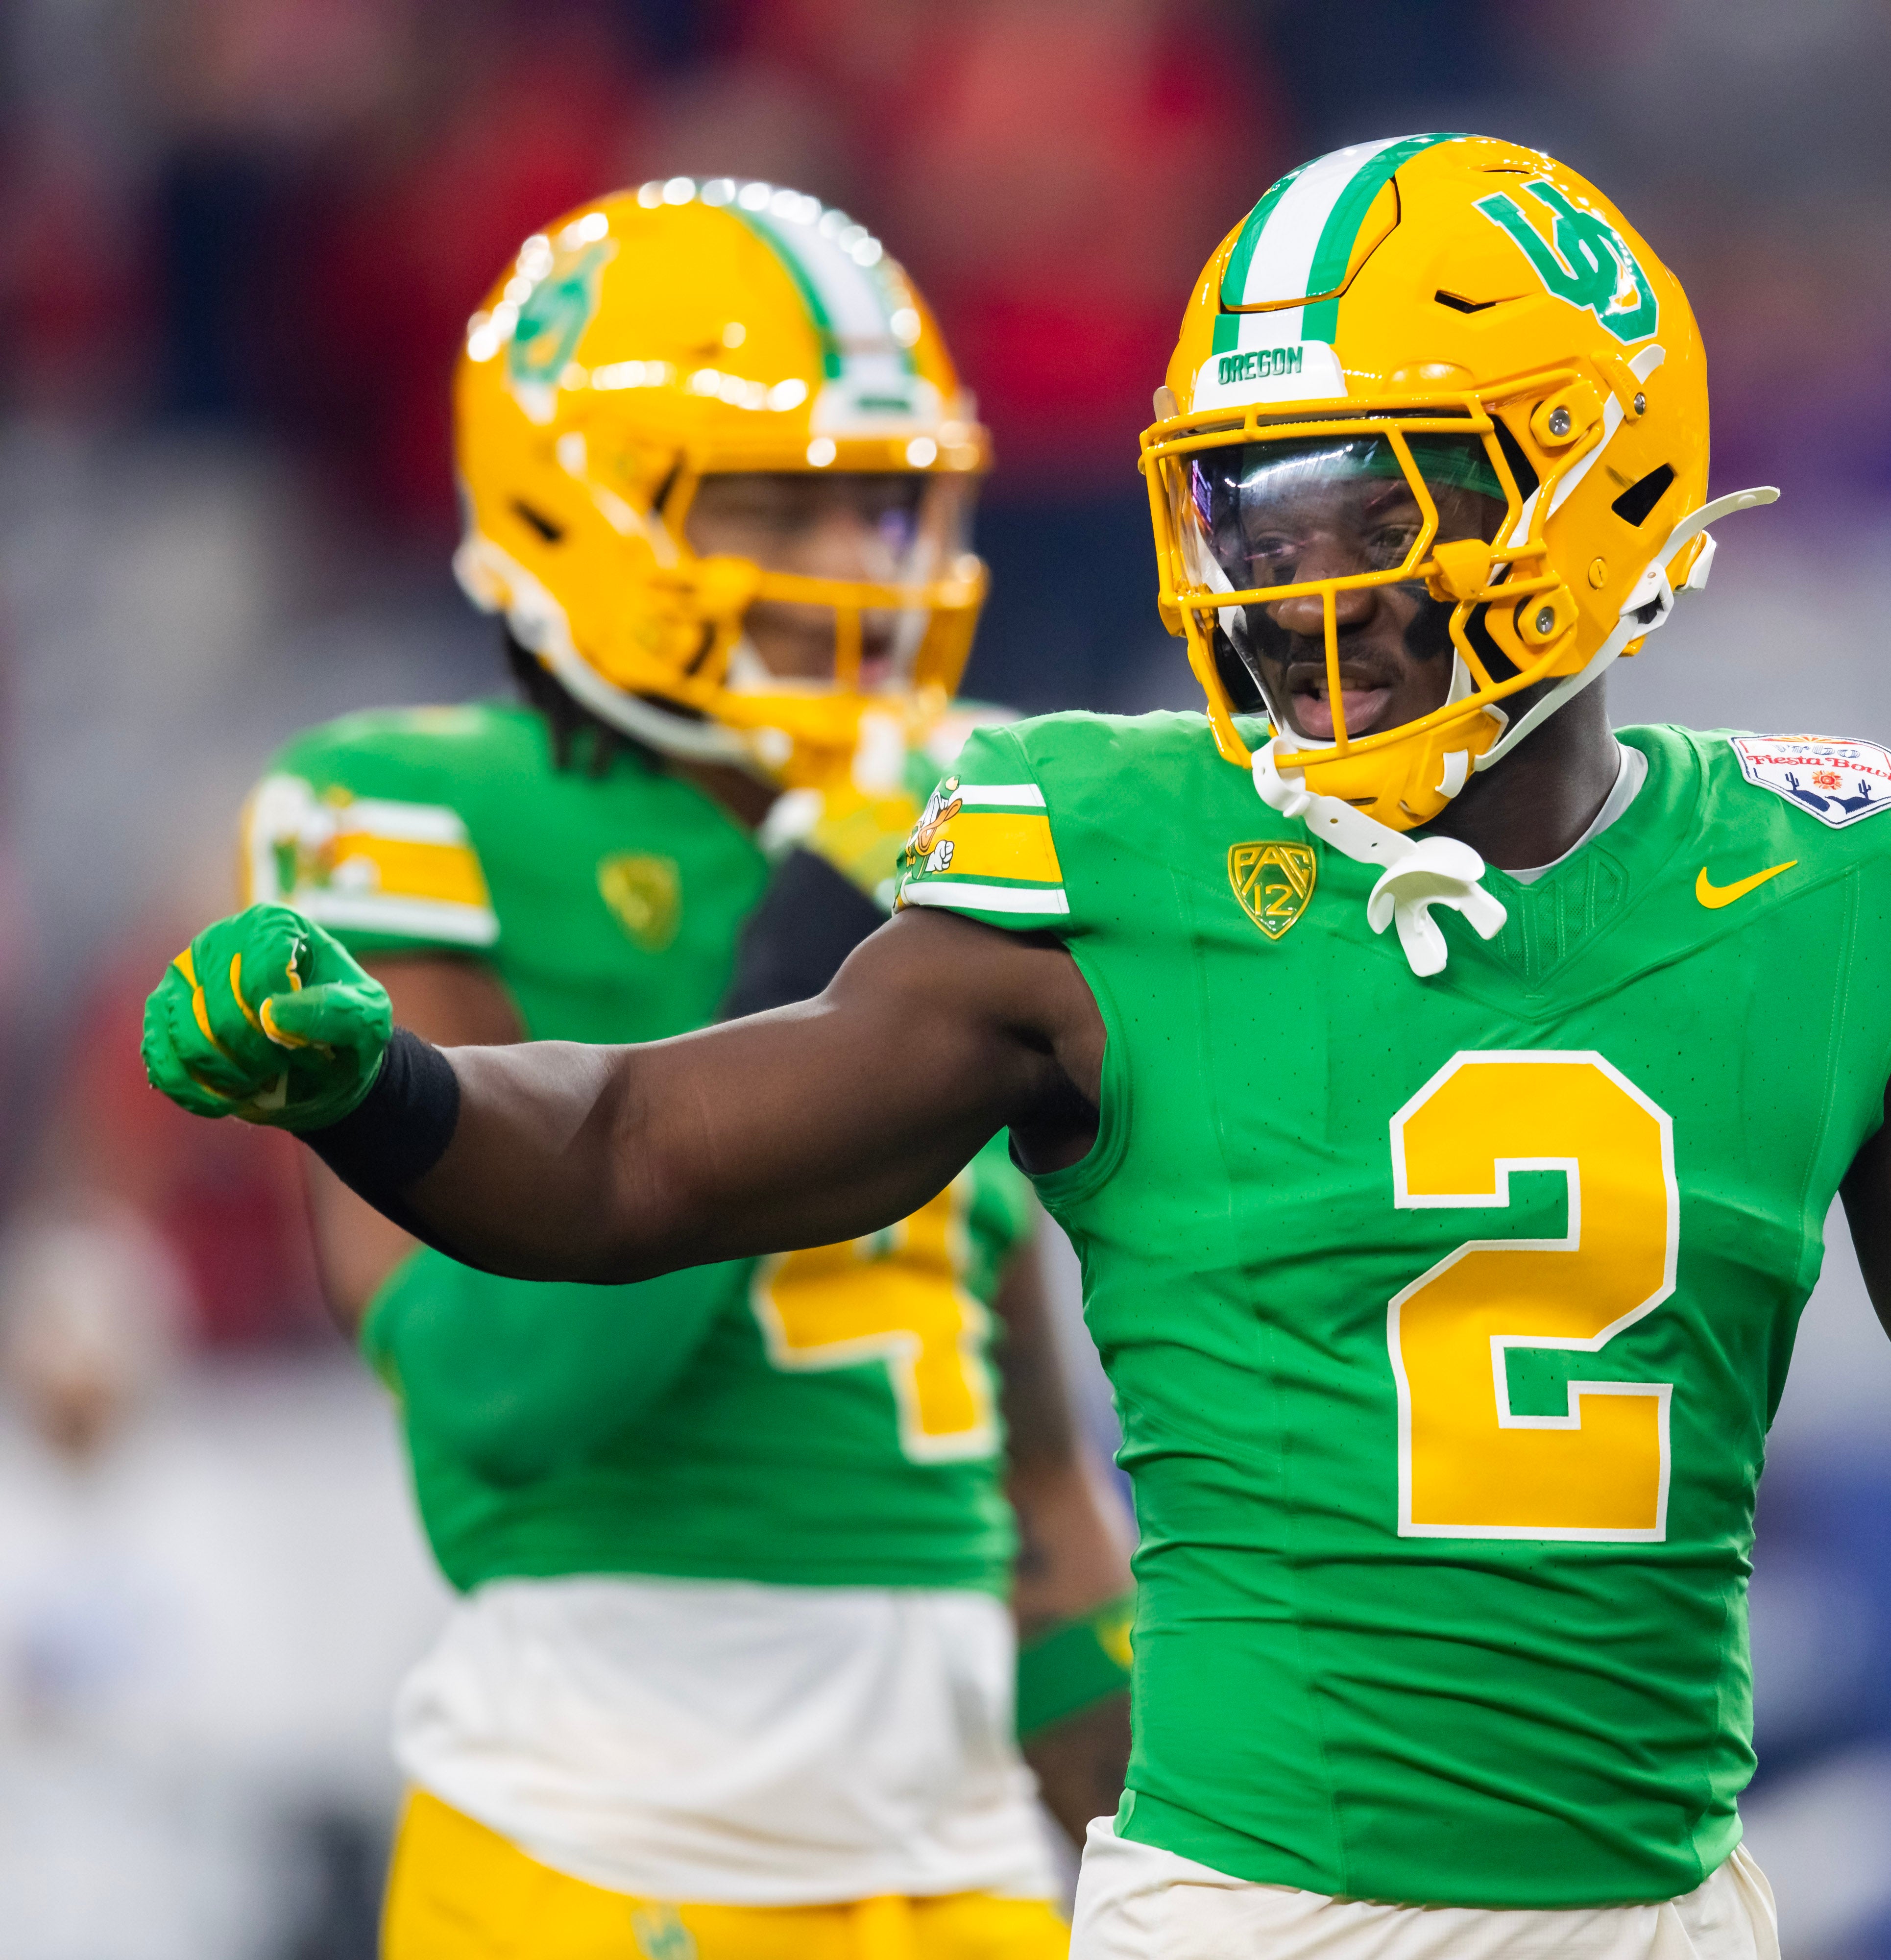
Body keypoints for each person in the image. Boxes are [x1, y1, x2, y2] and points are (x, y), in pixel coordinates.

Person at [147, 137, 1891, 1959]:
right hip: (1242, 1914)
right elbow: (651, 1148)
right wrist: (383, 1086)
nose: (1294, 586)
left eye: (1363, 499)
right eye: (1246, 505)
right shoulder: (1097, 857)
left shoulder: (1840, 879)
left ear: (1591, 482)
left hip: (1665, 1911)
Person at [230, 181, 1135, 1958]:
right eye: (779, 507)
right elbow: (496, 1389)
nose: (857, 577)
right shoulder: (412, 806)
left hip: (956, 1851)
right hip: (602, 1829)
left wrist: (1175, 1862)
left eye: (881, 506)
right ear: (577, 505)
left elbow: (1029, 1479)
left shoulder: (965, 801)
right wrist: (806, 951)